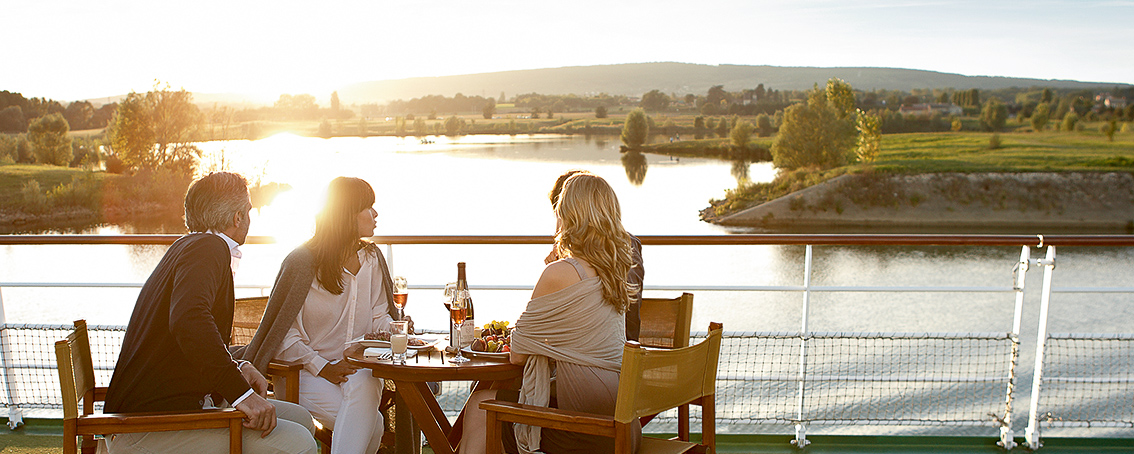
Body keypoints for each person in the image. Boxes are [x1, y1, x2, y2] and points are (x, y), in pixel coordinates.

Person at [104, 172, 317, 454]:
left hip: (163, 412)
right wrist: (241, 395)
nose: (251, 218)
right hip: (148, 426)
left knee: (301, 420)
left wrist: (238, 367)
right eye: (249, 211)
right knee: (298, 443)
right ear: (237, 218)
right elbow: (188, 320)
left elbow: (183, 341)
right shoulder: (208, 248)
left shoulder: (190, 246)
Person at [462, 173, 643, 454]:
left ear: (568, 217)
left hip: (582, 428)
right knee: (498, 402)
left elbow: (518, 353)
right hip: (622, 421)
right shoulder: (615, 273)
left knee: (480, 406)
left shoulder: (560, 273)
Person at [236, 177, 405, 454]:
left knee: (367, 379)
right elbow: (283, 335)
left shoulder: (373, 260)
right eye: (369, 207)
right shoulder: (302, 262)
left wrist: (395, 328)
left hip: (355, 370)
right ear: (348, 215)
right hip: (302, 374)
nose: (375, 214)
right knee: (372, 423)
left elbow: (379, 318)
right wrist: (322, 366)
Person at [545, 170, 644, 341]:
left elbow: (620, 301)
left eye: (560, 213)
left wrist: (561, 272)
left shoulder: (622, 247)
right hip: (613, 349)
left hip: (613, 349)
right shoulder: (618, 246)